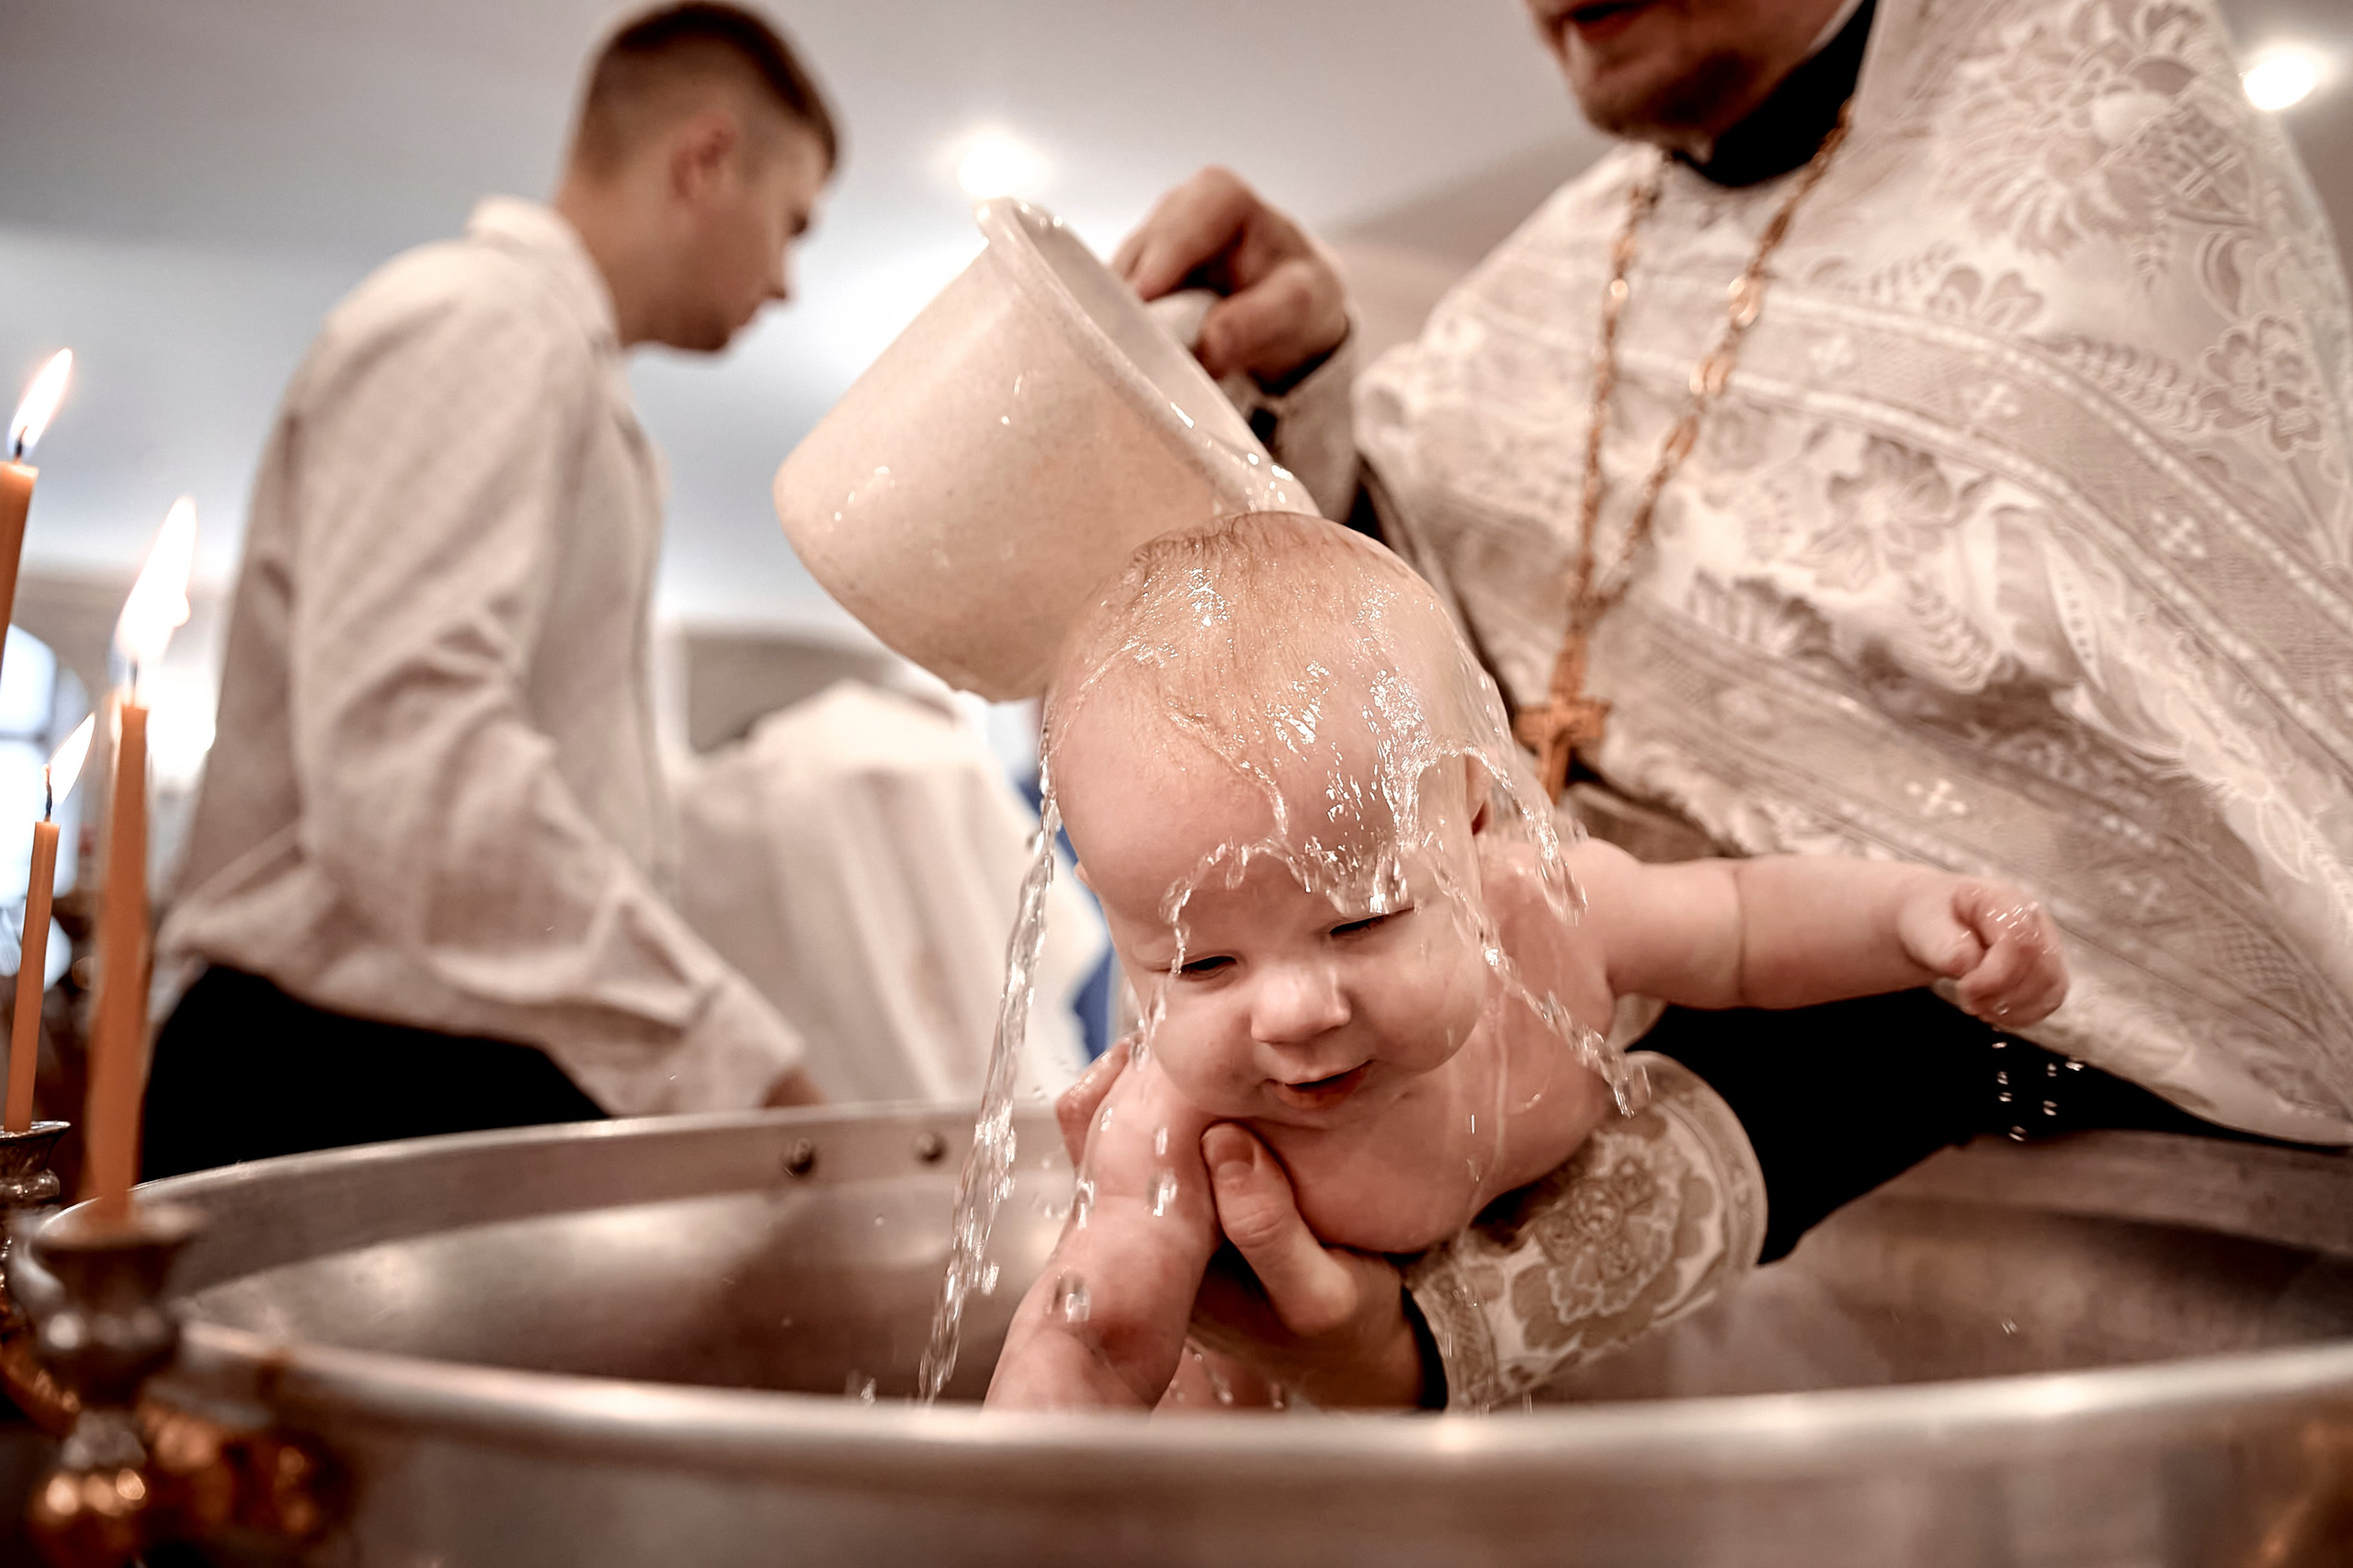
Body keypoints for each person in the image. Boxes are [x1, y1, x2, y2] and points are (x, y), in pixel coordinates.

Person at [1098, 0, 2353, 1407]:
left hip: (2097, 1255)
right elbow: (1412, 693)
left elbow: (2086, 826)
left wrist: (1438, 1337)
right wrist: (1296, 390)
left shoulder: (2089, 100)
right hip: (1566, 1152)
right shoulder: (1547, 284)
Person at [987, 513, 2067, 1411]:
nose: (1294, 1010)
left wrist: (1913, 916)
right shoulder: (1172, 1125)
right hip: (1267, 1454)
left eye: (1359, 923)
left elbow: (1743, 921)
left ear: (1471, 820)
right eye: (1203, 964)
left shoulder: (1551, 915)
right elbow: (1093, 1334)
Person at [145, 3, 838, 1177]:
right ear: (707, 160)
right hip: (340, 1069)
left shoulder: (551, 360)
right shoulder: (482, 322)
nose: (785, 284)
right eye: (793, 224)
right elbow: (413, 760)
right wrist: (728, 1056)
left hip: (408, 1061)